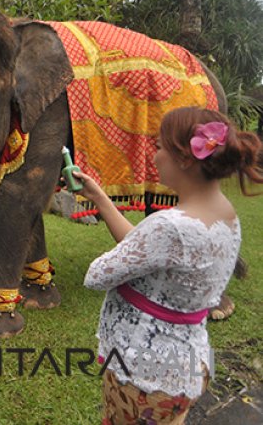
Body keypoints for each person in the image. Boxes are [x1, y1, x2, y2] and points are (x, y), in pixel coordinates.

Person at [73, 106, 263, 424]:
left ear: (185, 158)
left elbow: (97, 275)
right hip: (187, 366)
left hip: (143, 376)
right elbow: (150, 248)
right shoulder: (225, 214)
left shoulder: (169, 226)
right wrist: (101, 199)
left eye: (159, 146)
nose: (154, 155)